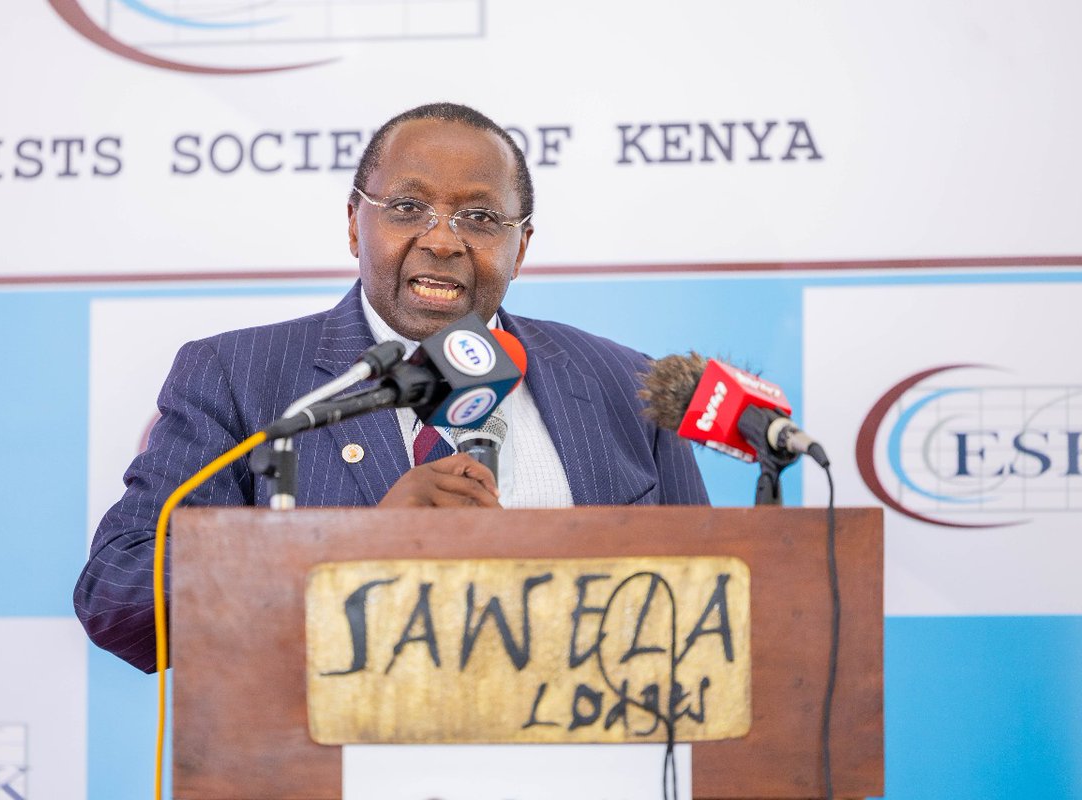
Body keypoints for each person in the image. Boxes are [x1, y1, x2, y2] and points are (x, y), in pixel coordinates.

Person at [75, 102, 708, 672]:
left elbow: (711, 607)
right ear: (355, 224)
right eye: (407, 208)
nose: (441, 240)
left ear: (520, 248)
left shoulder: (624, 385)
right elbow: (118, 596)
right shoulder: (242, 377)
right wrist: (356, 547)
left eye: (481, 217)